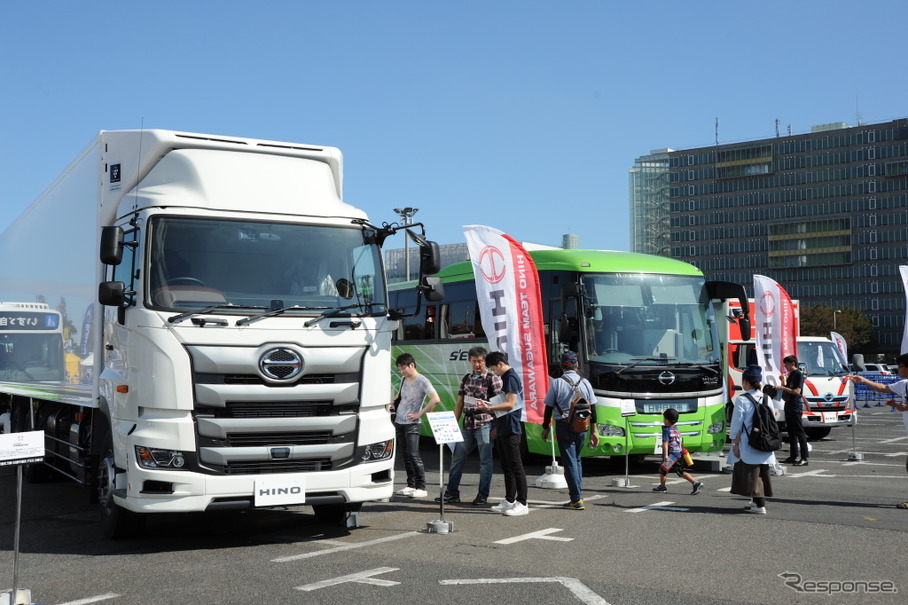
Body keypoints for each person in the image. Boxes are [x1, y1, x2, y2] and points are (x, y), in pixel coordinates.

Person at [436, 346, 502, 506]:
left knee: (485, 462)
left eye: (480, 361)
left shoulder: (492, 379)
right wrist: (452, 424)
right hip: (467, 424)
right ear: (469, 361)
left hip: (485, 423)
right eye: (474, 361)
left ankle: (482, 494)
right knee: (457, 458)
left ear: (485, 361)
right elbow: (460, 403)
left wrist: (496, 426)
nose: (477, 364)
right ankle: (452, 493)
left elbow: (500, 404)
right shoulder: (466, 378)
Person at [541, 350, 600, 509]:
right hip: (583, 425)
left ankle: (576, 498)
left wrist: (545, 427)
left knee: (570, 462)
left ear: (561, 366)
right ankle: (578, 495)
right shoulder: (585, 382)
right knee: (578, 460)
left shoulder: (558, 383)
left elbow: (548, 407)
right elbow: (593, 409)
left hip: (564, 425)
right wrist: (594, 431)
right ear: (577, 365)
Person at [851, 353, 908, 509]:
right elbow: (884, 388)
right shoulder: (904, 384)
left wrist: (906, 406)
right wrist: (863, 380)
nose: (898, 370)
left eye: (901, 367)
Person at [476, 351, 528, 516]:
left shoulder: (510, 377)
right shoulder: (506, 377)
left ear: (499, 364)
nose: (493, 373)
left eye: (493, 369)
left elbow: (510, 404)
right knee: (507, 466)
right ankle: (510, 500)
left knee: (516, 466)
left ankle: (523, 502)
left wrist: (489, 408)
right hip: (503, 426)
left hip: (511, 427)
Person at [388, 353, 440, 498]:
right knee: (405, 455)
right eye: (399, 369)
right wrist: (392, 402)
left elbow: (435, 399)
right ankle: (411, 485)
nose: (401, 372)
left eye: (403, 368)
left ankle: (421, 487)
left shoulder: (423, 381)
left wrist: (419, 413)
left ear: (411, 365)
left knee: (413, 454)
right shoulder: (404, 379)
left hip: (412, 424)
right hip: (399, 421)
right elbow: (400, 396)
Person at [729, 365, 775, 514]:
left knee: (751, 473)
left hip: (748, 443)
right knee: (762, 472)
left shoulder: (742, 399)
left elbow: (736, 424)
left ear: (746, 382)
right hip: (765, 441)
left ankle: (759, 505)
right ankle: (756, 502)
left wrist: (735, 444)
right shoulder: (766, 397)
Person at [653, 408, 704, 494]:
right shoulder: (676, 429)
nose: (663, 420)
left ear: (667, 420)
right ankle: (695, 483)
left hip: (671, 455)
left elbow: (665, 443)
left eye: (664, 418)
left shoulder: (666, 430)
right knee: (680, 471)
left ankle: (662, 487)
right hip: (678, 453)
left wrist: (665, 455)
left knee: (663, 469)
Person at [777, 355, 809, 466]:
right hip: (789, 406)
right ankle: (793, 456)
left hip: (795, 406)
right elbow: (787, 390)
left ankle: (804, 458)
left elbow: (796, 391)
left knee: (799, 432)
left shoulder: (798, 374)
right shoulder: (791, 375)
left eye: (786, 364)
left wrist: (782, 387)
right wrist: (783, 382)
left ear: (792, 364)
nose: (785, 366)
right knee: (791, 433)